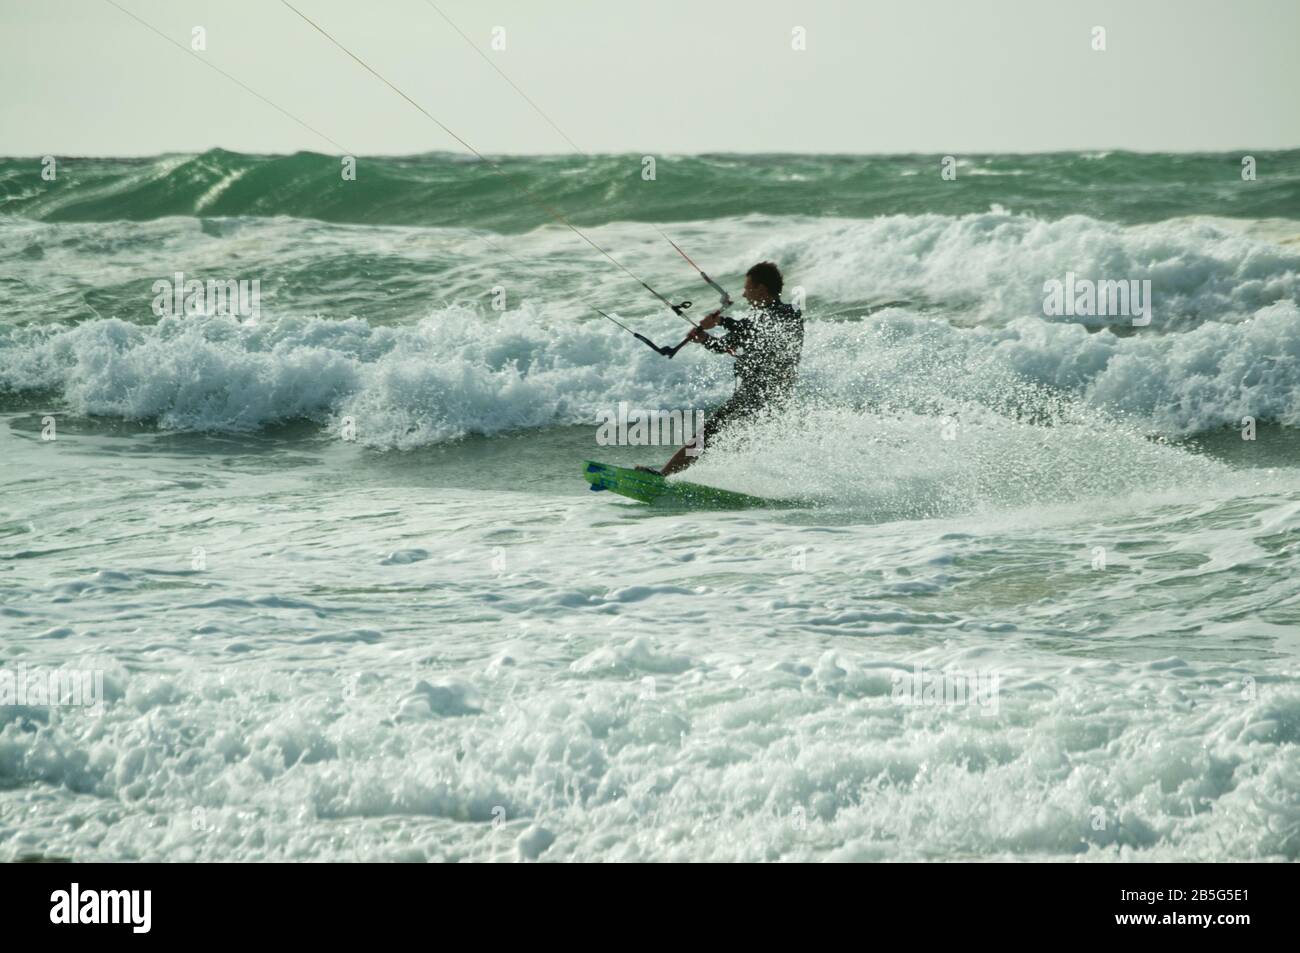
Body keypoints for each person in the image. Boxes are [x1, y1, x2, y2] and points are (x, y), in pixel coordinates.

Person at [651, 261, 803, 476]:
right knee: (735, 439)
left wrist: (722, 320)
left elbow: (754, 329)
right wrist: (704, 337)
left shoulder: (788, 313)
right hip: (761, 392)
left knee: (710, 433)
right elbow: (723, 345)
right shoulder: (757, 319)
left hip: (765, 391)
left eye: (747, 289)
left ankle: (663, 476)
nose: (744, 295)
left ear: (761, 289)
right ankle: (743, 481)